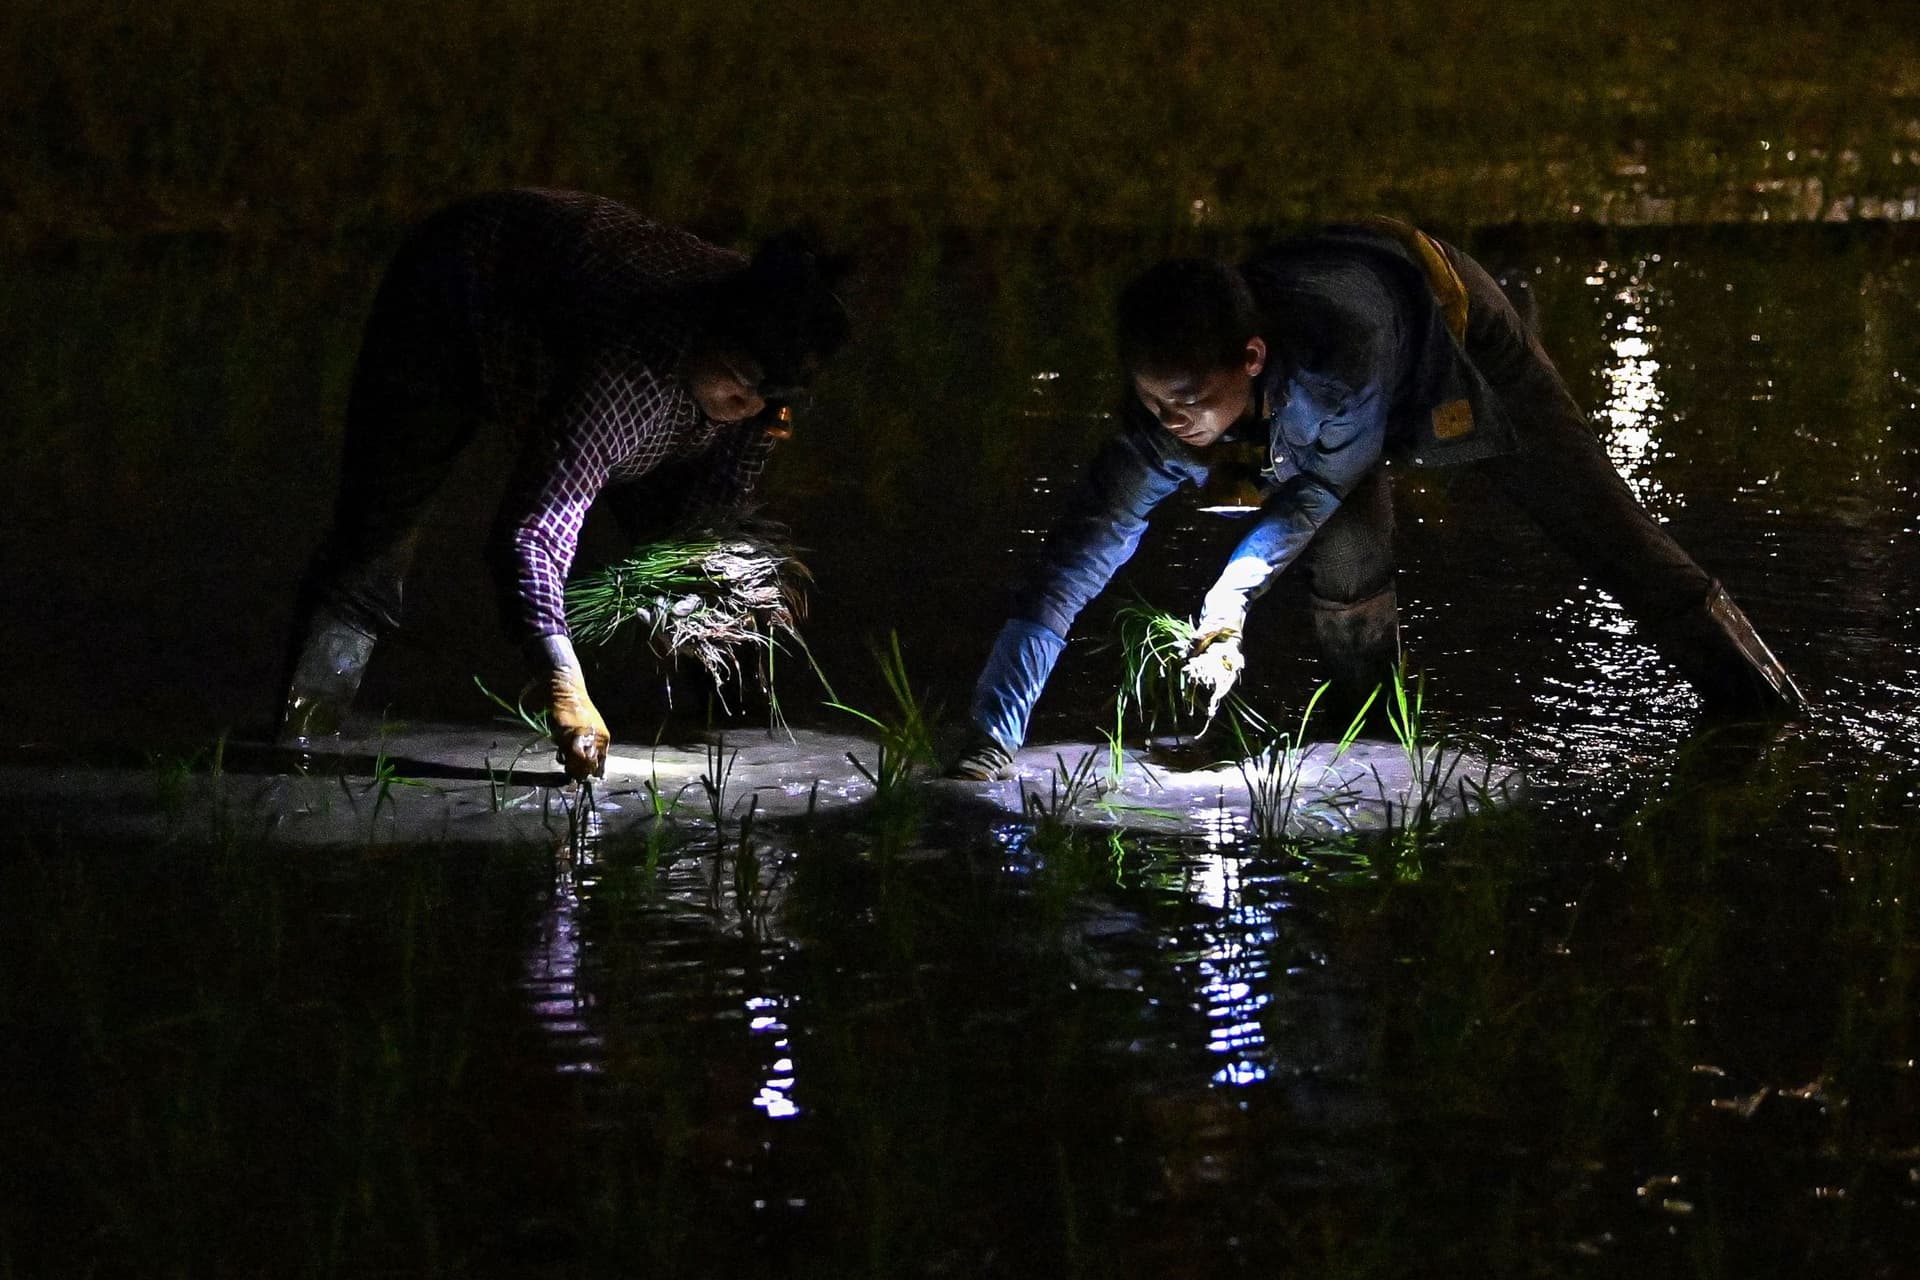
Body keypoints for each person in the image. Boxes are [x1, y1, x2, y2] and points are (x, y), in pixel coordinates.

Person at [948, 216, 1803, 780]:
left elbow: (1320, 483)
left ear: (1248, 357)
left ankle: (1764, 714)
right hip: (1296, 403)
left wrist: (1228, 600)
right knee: (1346, 562)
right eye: (1152, 404)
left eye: (1184, 402)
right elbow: (1071, 564)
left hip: (1446, 326)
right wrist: (991, 737)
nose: (1169, 423)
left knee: (1601, 525)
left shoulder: (1334, 358)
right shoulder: (1172, 417)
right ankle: (1376, 756)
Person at [280, 189, 851, 779]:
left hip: (590, 341)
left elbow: (716, 506)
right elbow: (532, 533)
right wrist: (563, 683)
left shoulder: (767, 376)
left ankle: (717, 741)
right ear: (710, 334)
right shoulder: (628, 374)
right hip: (457, 296)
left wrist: (697, 588)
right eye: (737, 382)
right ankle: (298, 740)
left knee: (703, 569)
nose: (747, 407)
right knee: (376, 538)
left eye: (768, 397)